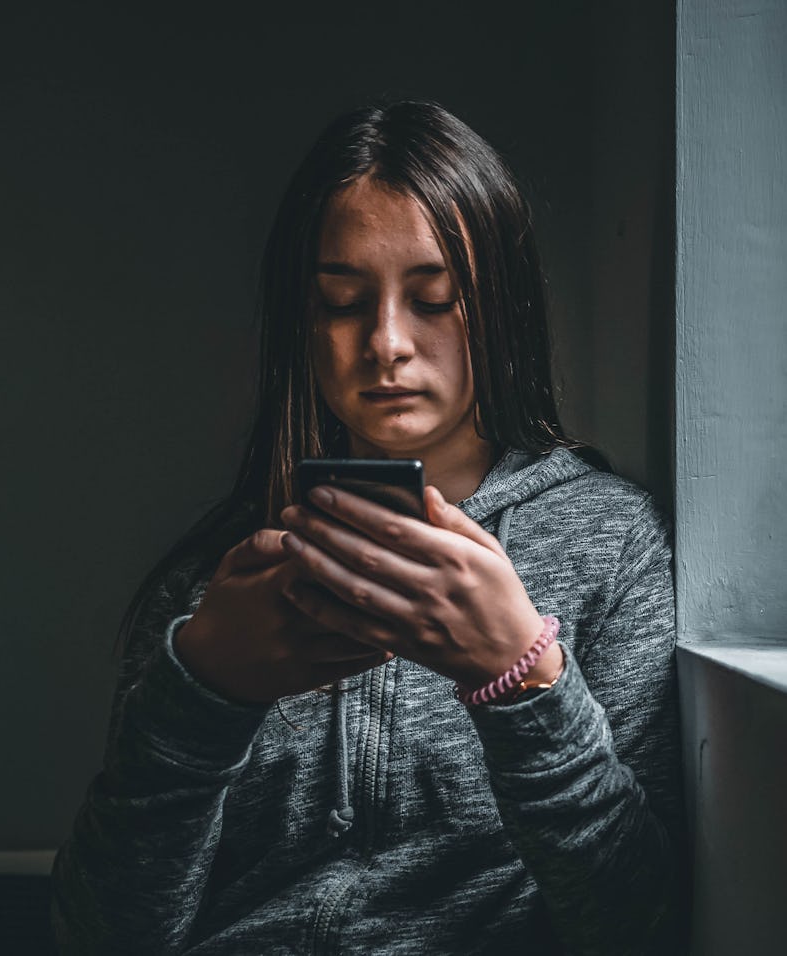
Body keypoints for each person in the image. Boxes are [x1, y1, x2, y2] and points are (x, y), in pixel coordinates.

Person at [50, 99, 685, 955]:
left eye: (435, 299)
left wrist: (522, 677)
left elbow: (634, 926)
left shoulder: (608, 544)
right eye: (343, 303)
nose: (385, 342)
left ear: (500, 307)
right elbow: (99, 936)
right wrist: (198, 697)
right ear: (303, 325)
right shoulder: (223, 581)